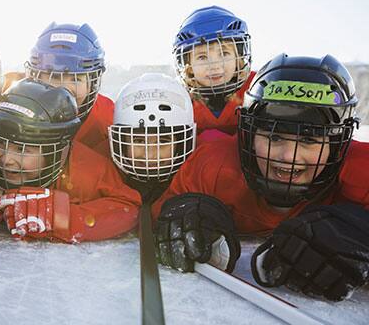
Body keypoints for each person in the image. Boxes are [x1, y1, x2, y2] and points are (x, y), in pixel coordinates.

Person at [151, 54, 369, 301]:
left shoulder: (359, 168)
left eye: (309, 139)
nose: (289, 156)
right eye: (274, 137)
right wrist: (186, 213)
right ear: (249, 135)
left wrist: (360, 231)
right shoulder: (212, 165)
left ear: (338, 144)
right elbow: (159, 213)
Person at [0, 78, 141, 243]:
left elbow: (128, 208)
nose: (6, 159)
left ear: (55, 152)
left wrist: (62, 217)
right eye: (1, 143)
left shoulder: (84, 171)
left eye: (22, 149)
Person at [3, 22, 113, 154]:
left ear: (92, 84)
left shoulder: (108, 121)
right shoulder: (8, 103)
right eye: (54, 77)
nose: (64, 89)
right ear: (34, 77)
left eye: (76, 79)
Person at [108, 73, 196, 205]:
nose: (150, 155)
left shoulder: (193, 183)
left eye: (163, 141)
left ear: (183, 143)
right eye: (139, 141)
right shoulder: (107, 180)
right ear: (121, 141)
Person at [173, 6, 256, 136]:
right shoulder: (179, 100)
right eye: (202, 57)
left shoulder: (255, 88)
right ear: (189, 67)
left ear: (238, 58)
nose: (214, 65)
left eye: (224, 53)